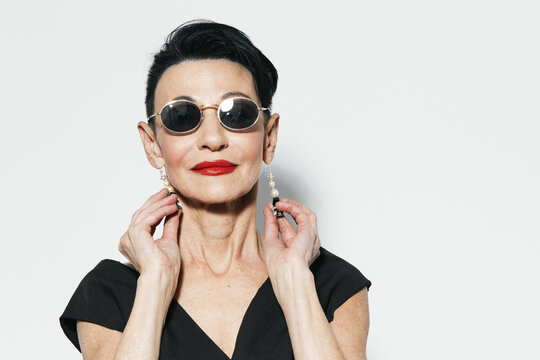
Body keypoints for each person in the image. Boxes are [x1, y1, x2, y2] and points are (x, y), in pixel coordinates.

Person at [59, 20, 372, 360]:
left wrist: (296, 282)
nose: (213, 139)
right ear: (152, 145)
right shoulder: (111, 293)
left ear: (269, 137)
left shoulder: (331, 285)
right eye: (182, 116)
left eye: (236, 113)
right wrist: (154, 283)